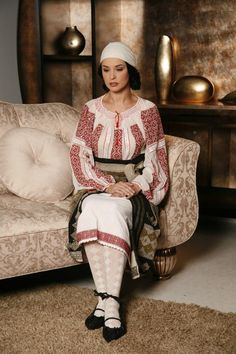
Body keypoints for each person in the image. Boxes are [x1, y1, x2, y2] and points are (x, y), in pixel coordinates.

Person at [68, 41, 169, 342]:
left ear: (130, 71)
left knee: (109, 210)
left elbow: (157, 159)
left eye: (119, 68)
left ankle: (105, 303)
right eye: (106, 69)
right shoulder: (90, 110)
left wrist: (135, 185)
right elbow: (77, 155)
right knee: (94, 208)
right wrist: (106, 184)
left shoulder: (148, 111)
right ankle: (110, 301)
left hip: (132, 187)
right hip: (96, 184)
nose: (112, 76)